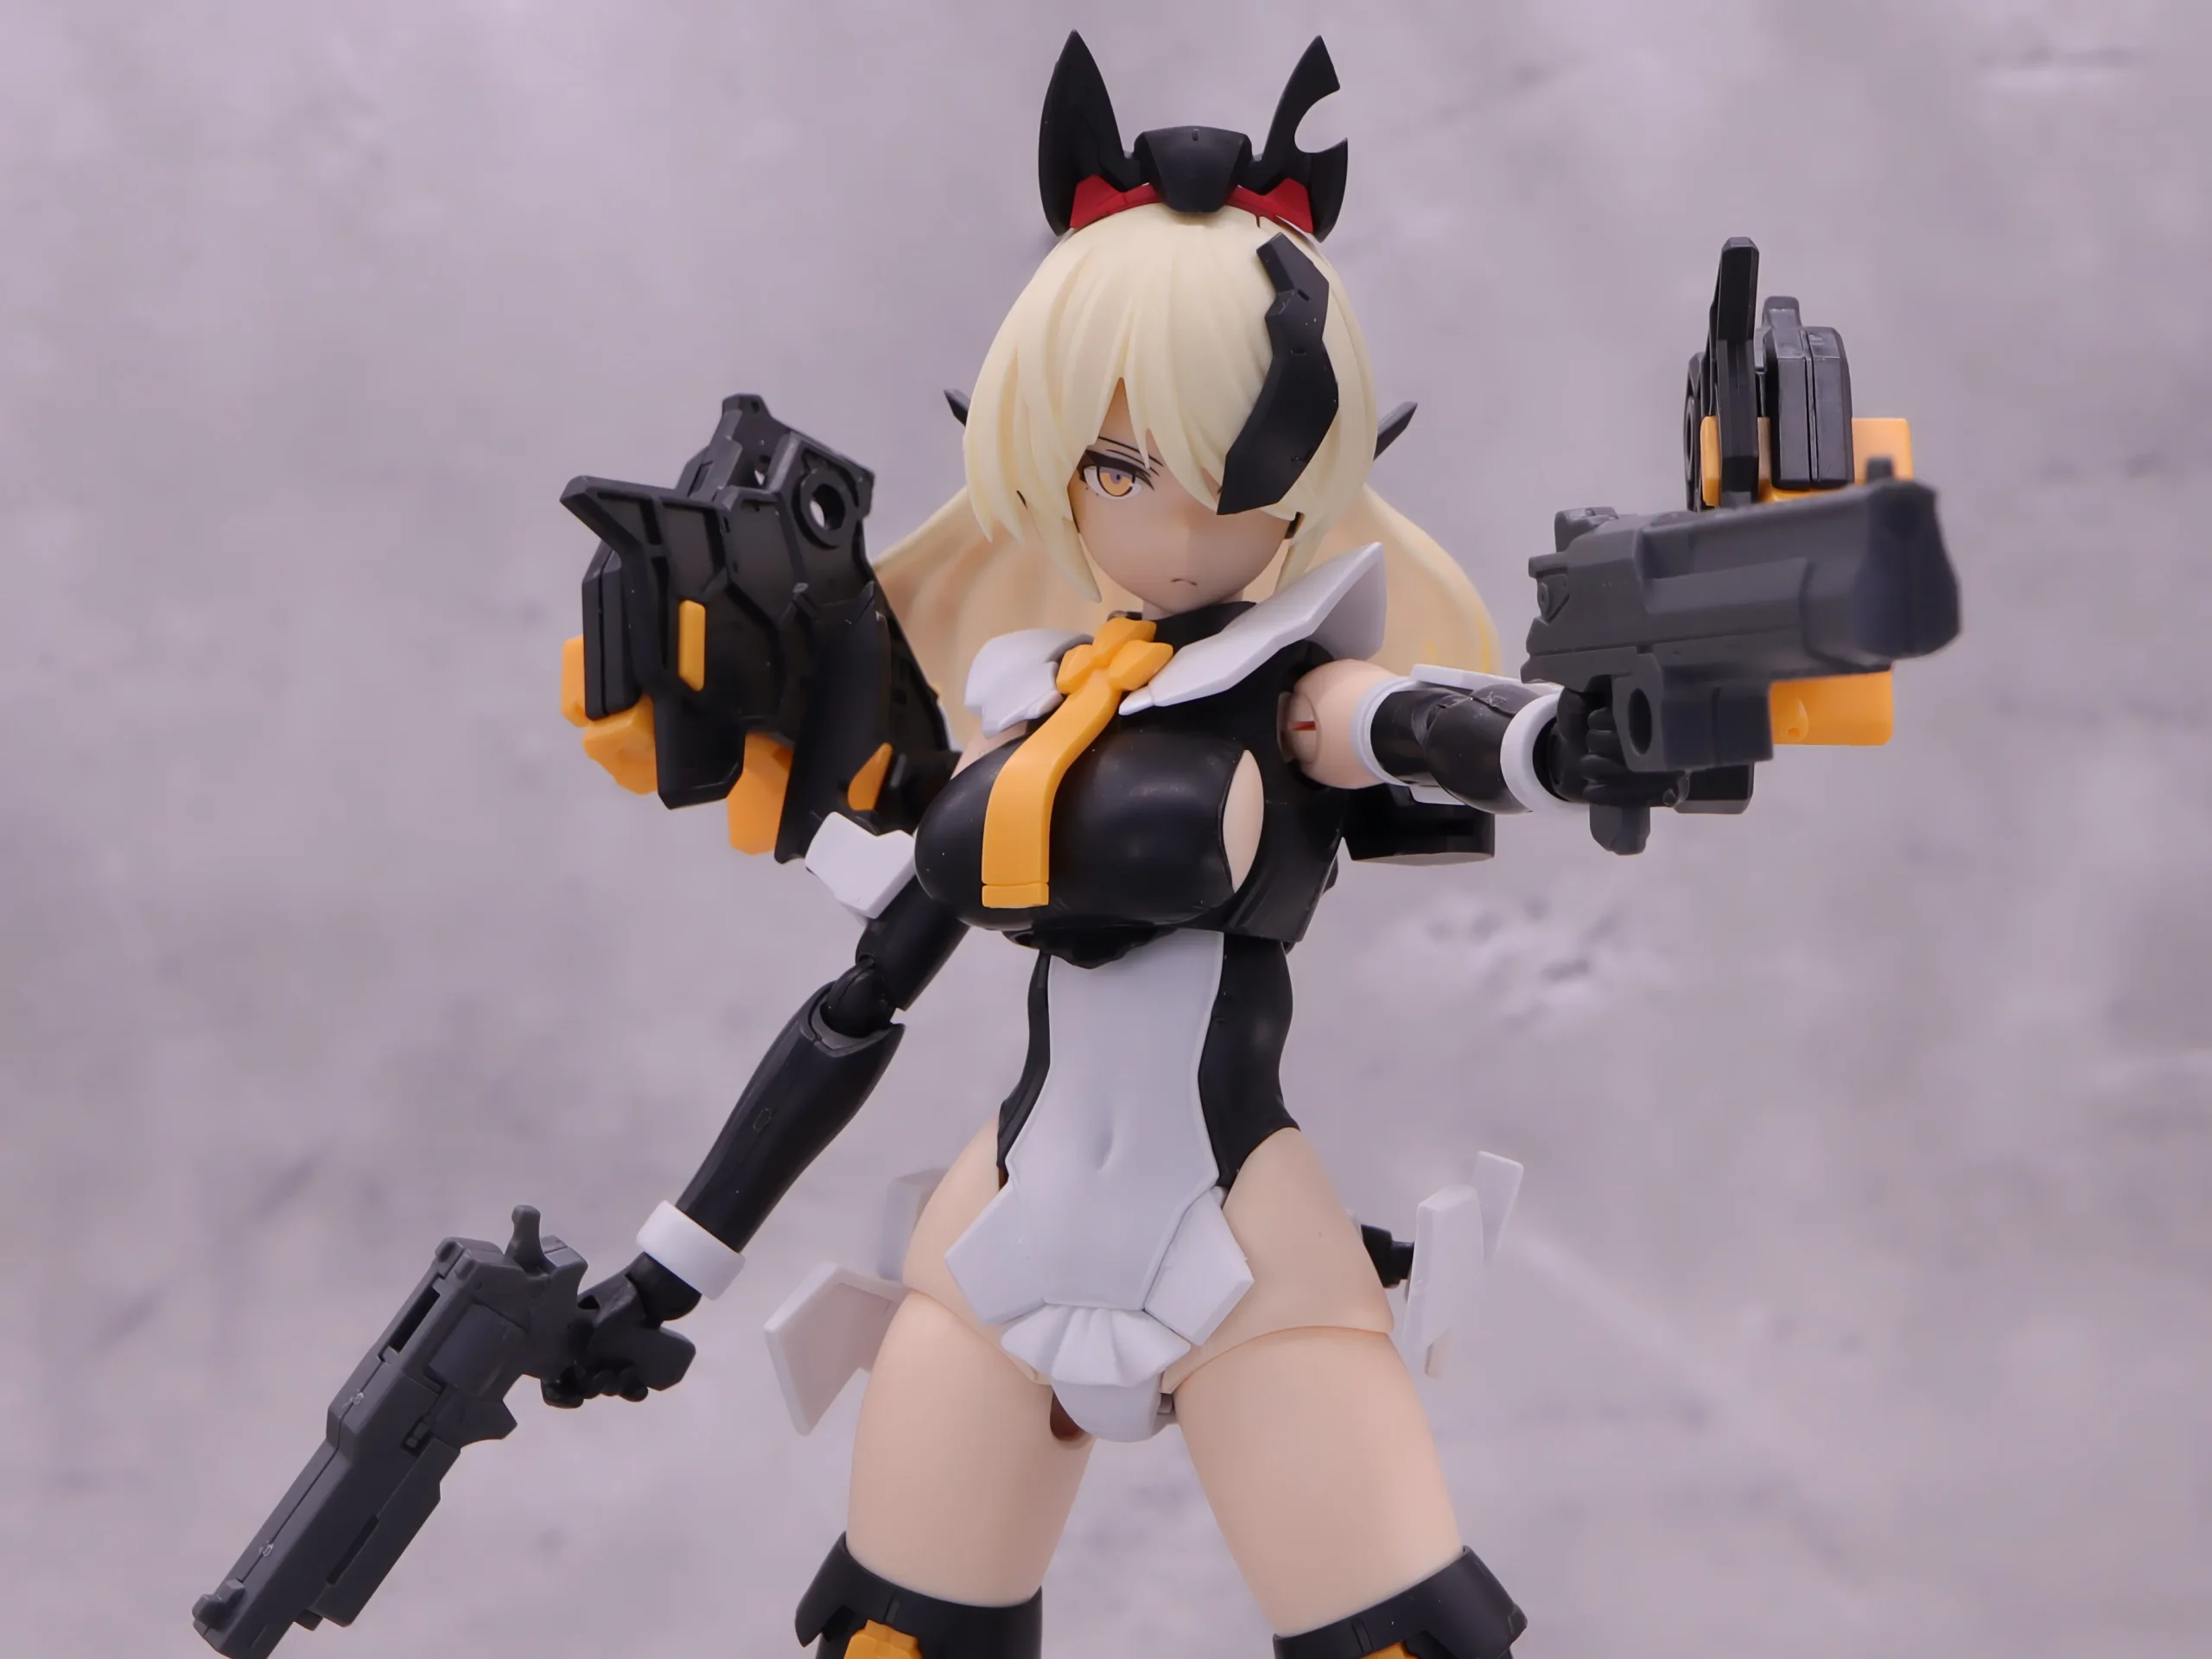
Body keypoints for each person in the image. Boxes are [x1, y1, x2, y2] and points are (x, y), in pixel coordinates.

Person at [550, 34, 1671, 1659]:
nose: (1159, 513)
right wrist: (670, 1273)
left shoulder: (1293, 695)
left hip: (1248, 1262)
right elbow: (855, 1011)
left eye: (1219, 467)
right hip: (992, 1257)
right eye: (1115, 461)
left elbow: (1422, 725)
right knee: (895, 1637)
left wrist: (1568, 743)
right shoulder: (1016, 708)